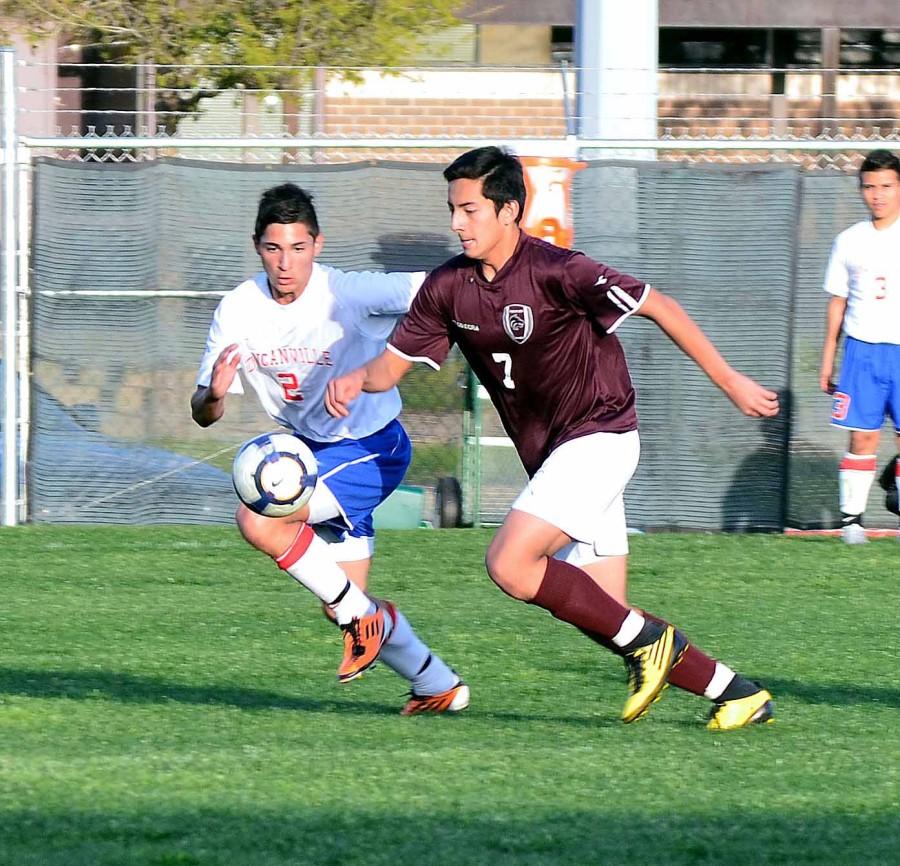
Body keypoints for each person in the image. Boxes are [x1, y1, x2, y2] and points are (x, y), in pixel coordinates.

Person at [326, 146, 778, 731]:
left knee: (511, 563)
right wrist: (354, 378)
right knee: (610, 616)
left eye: (469, 209)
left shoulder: (561, 271)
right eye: (452, 210)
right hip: (556, 457)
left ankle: (656, 644)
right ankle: (737, 693)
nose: (456, 223)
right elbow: (389, 369)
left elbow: (656, 304)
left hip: (602, 435)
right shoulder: (447, 287)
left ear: (510, 209)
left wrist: (729, 380)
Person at [191, 182, 468, 715]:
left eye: (298, 248)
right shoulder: (238, 309)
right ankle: (438, 684)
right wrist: (216, 393)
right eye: (274, 249)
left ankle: (363, 621)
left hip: (374, 449)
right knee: (341, 600)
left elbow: (433, 290)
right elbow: (202, 412)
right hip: (309, 453)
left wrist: (491, 275)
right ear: (257, 247)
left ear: (317, 245)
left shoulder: (348, 292)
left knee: (259, 521)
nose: (285, 263)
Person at [819, 148, 900, 544]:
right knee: (862, 437)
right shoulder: (848, 241)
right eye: (870, 187)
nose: (878, 195)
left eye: (886, 186)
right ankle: (852, 523)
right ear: (861, 190)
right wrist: (826, 360)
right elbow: (837, 304)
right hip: (863, 351)